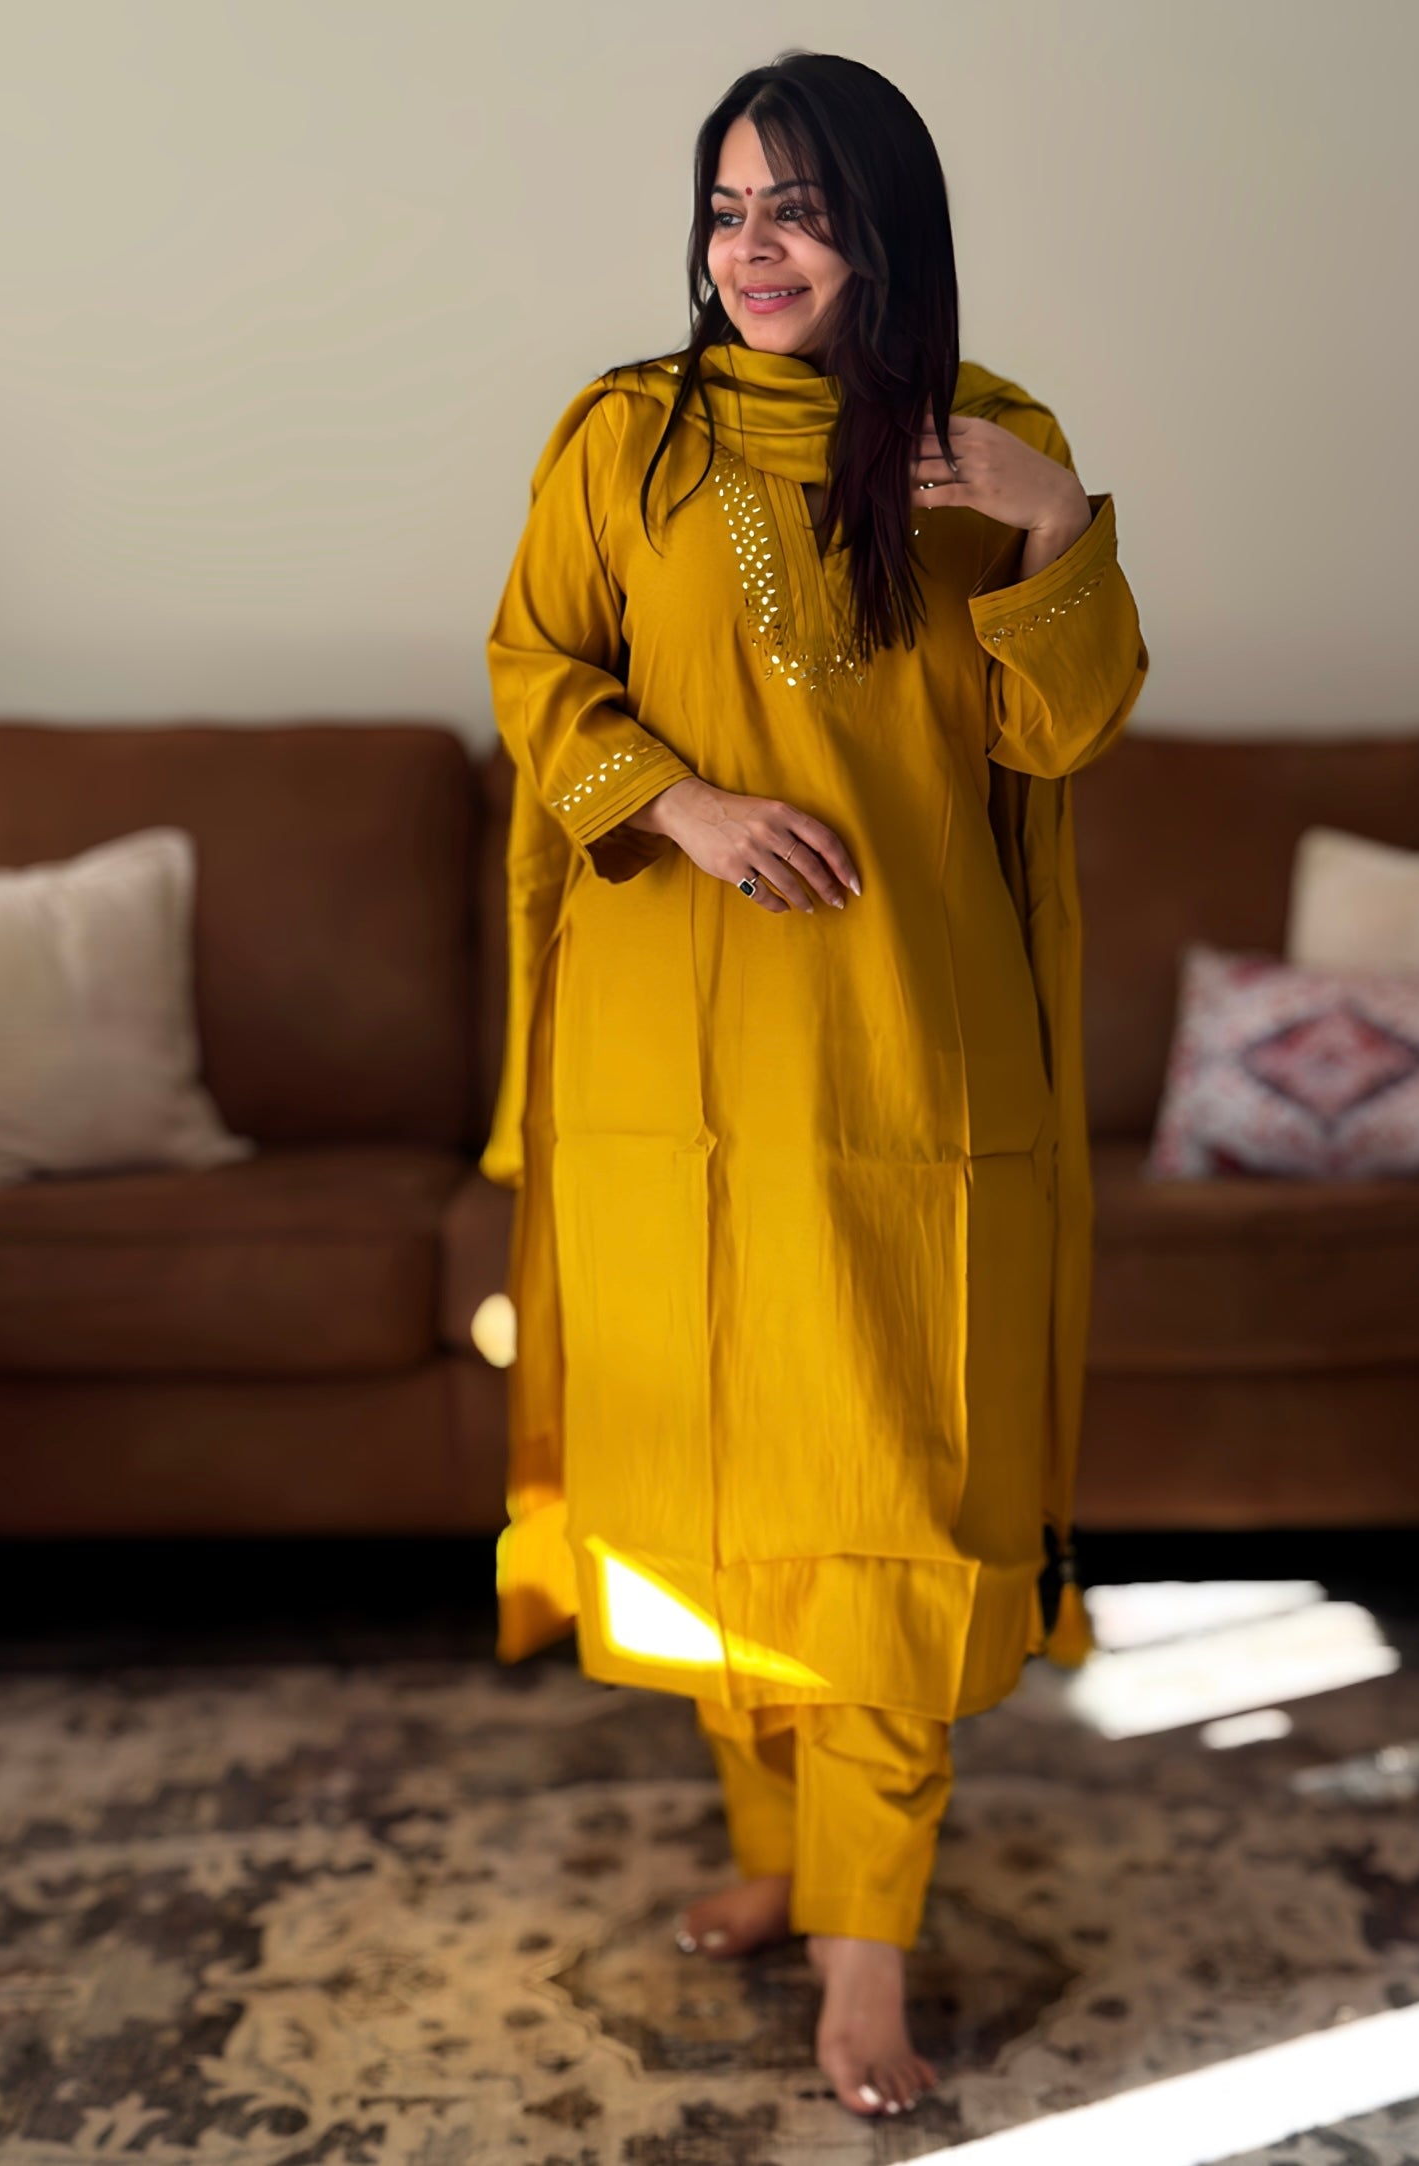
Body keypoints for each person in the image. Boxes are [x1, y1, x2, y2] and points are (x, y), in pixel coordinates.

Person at [479, 49, 1149, 2120]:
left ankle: (872, 1958)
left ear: (887, 229)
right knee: (712, 1487)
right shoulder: (628, 440)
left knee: (886, 1499)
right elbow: (535, 670)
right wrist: (670, 801)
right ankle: (782, 1859)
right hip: (664, 1065)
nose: (753, 250)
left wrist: (1055, 531)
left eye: (800, 209)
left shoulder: (995, 447)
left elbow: (1061, 738)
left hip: (902, 1069)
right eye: (725, 209)